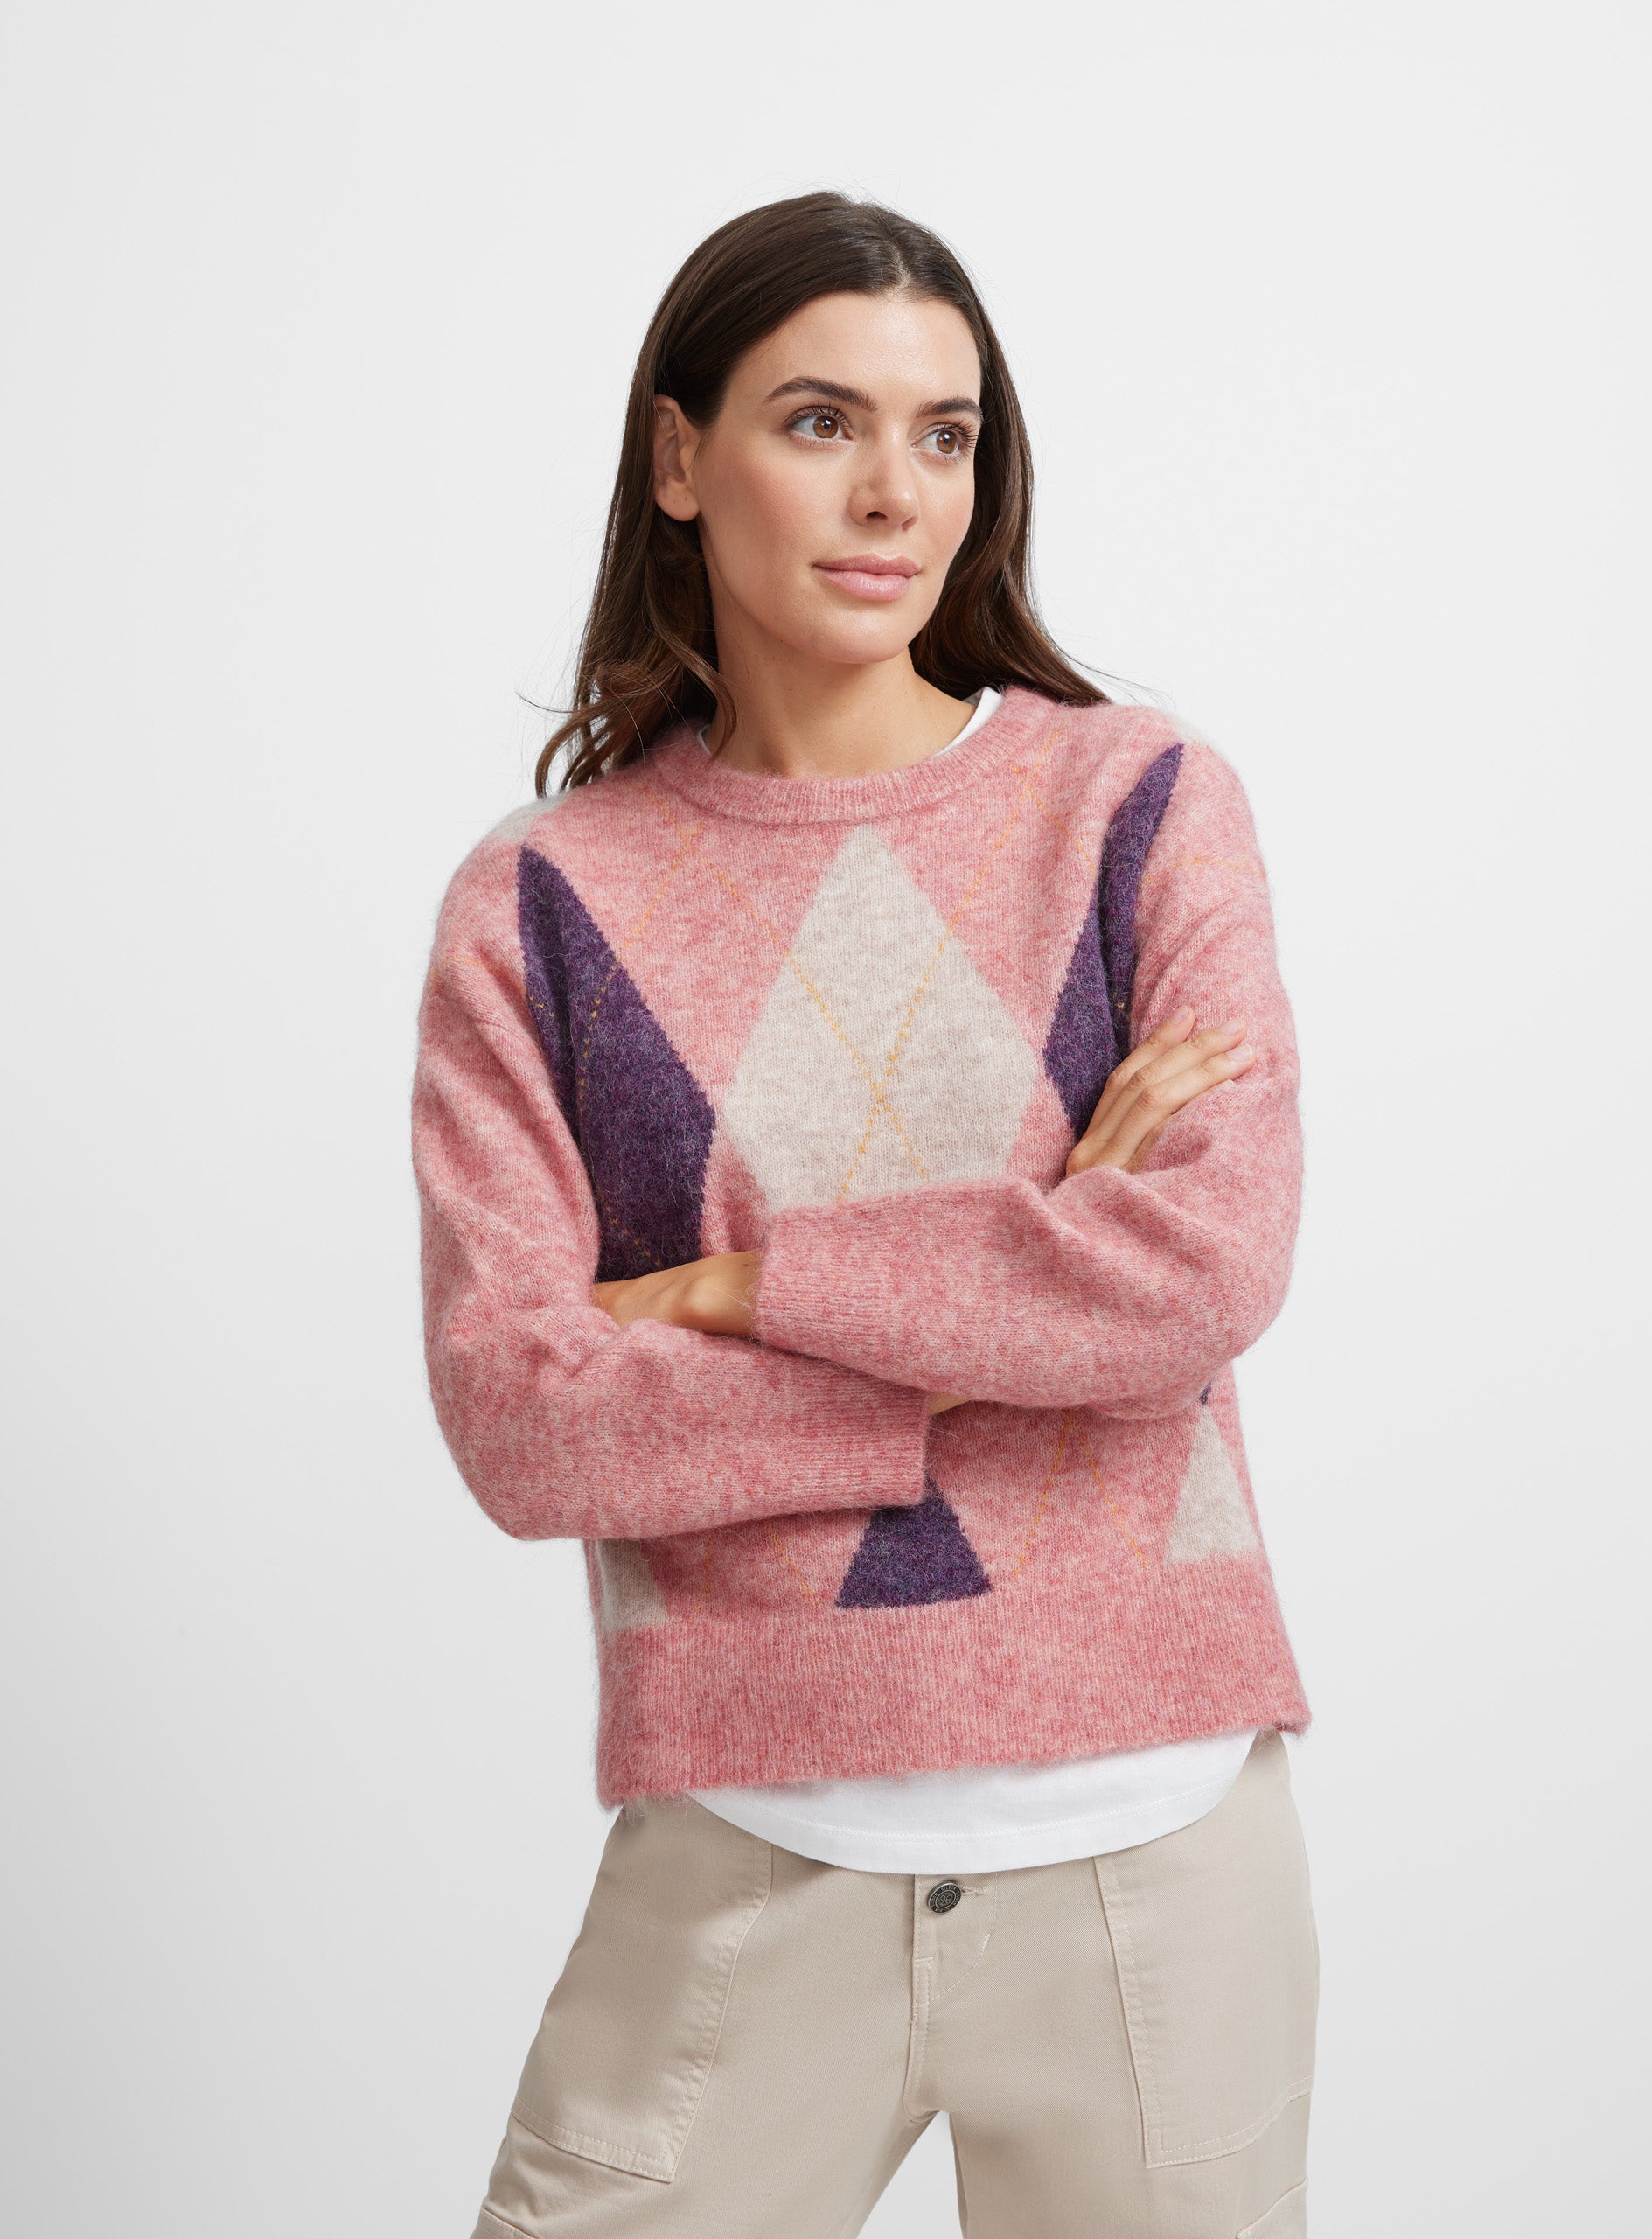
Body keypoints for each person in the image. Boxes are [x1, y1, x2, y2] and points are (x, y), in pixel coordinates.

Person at [412, 192, 1318, 2239]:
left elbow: (1202, 1271)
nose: (895, 491)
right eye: (820, 420)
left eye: (945, 433)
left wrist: (739, 1287)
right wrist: (1021, 1289)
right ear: (679, 456)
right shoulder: (541, 904)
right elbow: (526, 1419)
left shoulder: (1140, 805)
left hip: (1160, 1866)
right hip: (743, 1853)